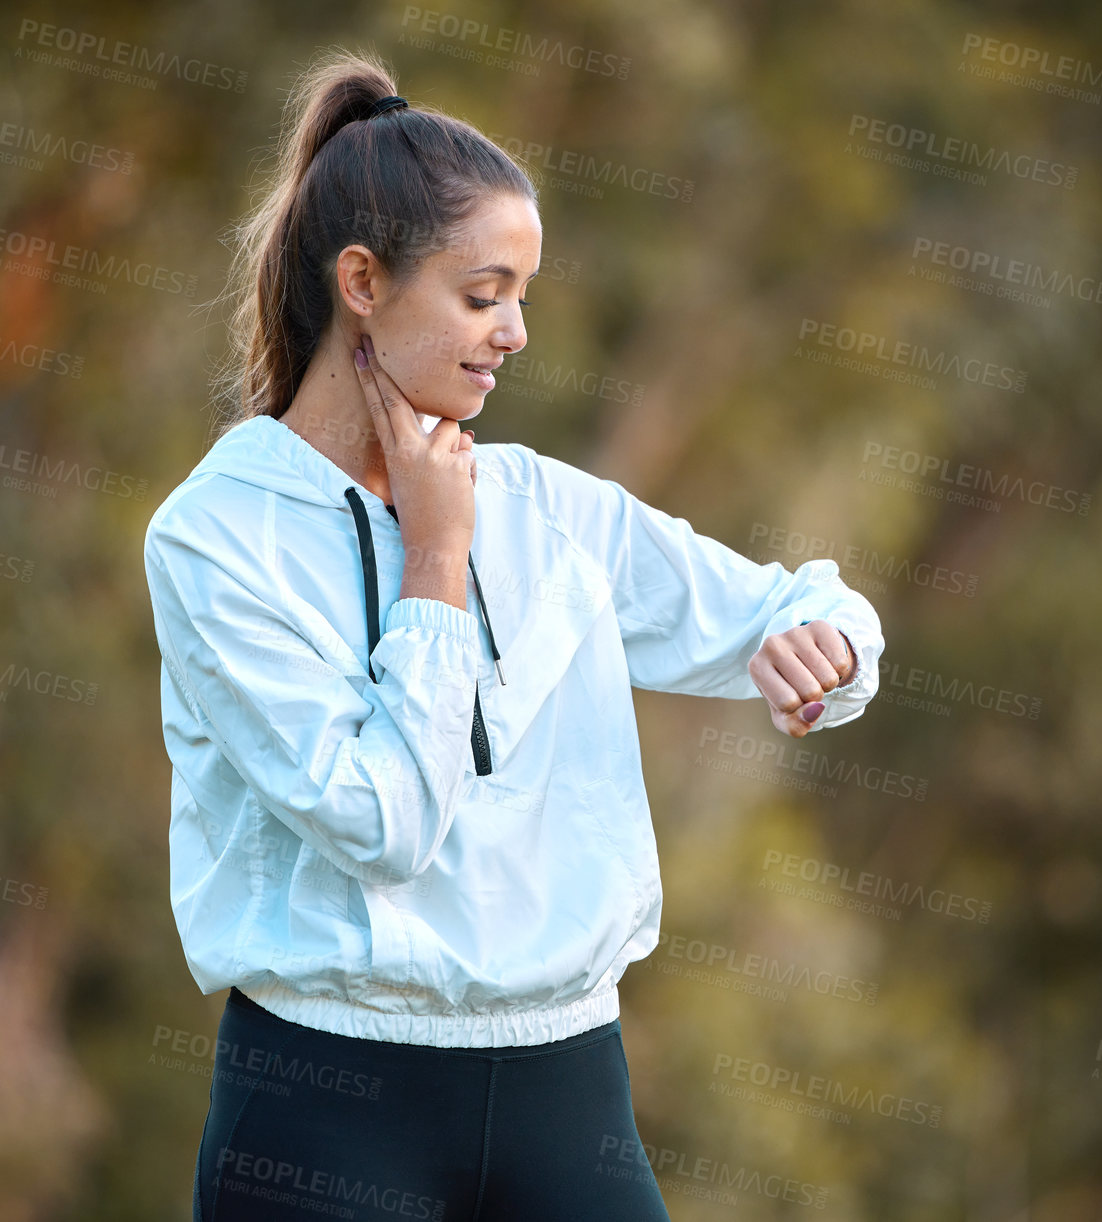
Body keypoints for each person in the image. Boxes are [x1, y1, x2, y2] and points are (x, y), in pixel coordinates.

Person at [142, 48, 884, 1222]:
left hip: (568, 1098)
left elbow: (798, 602)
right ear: (361, 284)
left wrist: (824, 645)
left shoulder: (549, 507)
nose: (515, 332)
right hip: (325, 1107)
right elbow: (379, 823)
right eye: (483, 295)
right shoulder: (214, 540)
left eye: (521, 297)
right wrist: (435, 559)